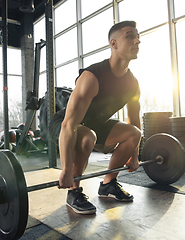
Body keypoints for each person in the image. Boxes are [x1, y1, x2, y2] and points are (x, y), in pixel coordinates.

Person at [49, 20, 141, 214]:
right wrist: (65, 170)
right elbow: (69, 124)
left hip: (95, 125)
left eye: (138, 36)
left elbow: (134, 120)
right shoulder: (93, 76)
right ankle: (74, 192)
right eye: (130, 36)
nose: (137, 41)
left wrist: (135, 155)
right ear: (113, 43)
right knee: (86, 136)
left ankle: (109, 184)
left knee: (134, 133)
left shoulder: (132, 83)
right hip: (64, 124)